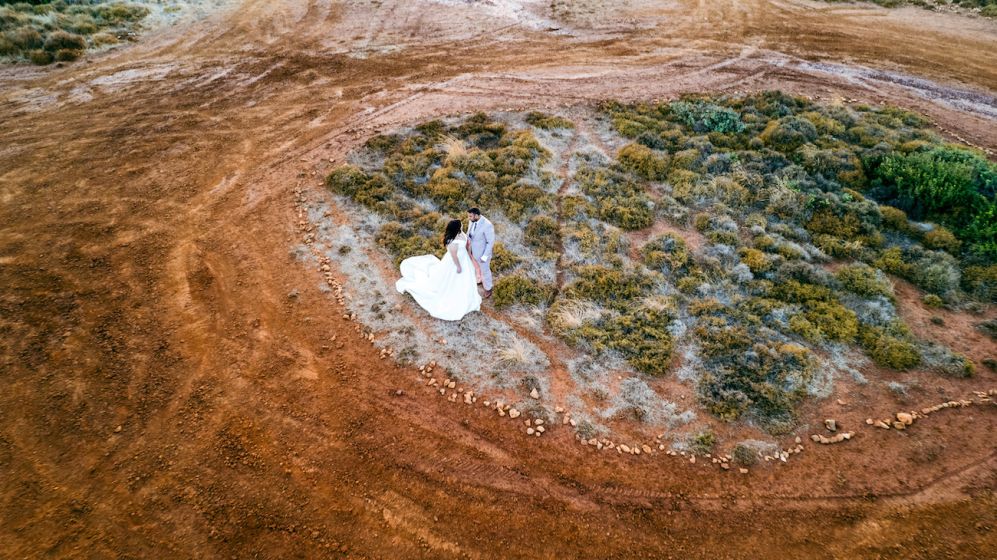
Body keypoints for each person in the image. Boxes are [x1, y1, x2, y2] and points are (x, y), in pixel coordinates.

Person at [395, 219, 482, 321]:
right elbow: (454, 257)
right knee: (451, 279)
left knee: (466, 278)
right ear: (456, 228)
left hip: (464, 259)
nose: (462, 226)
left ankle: (468, 296)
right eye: (461, 225)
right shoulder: (452, 242)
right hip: (455, 262)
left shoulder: (462, 233)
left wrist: (469, 256)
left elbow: (467, 246)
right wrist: (458, 267)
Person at [466, 207, 495, 298]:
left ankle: (488, 288)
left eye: (470, 216)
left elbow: (490, 242)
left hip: (482, 253)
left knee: (485, 271)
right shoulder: (472, 221)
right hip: (472, 251)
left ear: (477, 215)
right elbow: (469, 233)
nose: (469, 218)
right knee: (476, 268)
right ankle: (479, 280)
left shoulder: (487, 225)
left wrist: (485, 256)